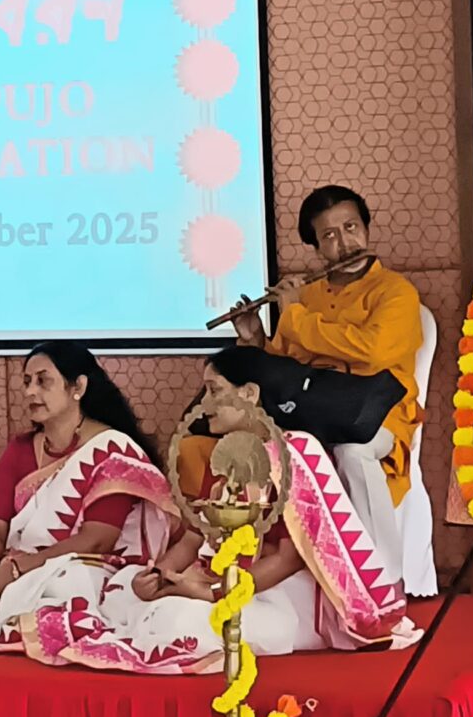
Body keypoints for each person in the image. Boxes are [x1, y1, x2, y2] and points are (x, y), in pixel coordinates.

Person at [60, 350, 409, 672]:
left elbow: (288, 559)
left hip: (281, 599)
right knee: (123, 592)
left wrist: (214, 594)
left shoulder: (297, 453)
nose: (204, 403)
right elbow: (194, 539)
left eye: (214, 391)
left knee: (174, 621)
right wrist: (161, 576)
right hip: (218, 581)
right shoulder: (226, 453)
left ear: (249, 394)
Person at [0, 342, 170, 654]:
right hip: (14, 563)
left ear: (78, 386)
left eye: (43, 381)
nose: (30, 392)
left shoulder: (113, 450)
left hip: (84, 564)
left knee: (67, 585)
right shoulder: (21, 449)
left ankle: (18, 622)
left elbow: (97, 541)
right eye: (26, 382)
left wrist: (14, 571)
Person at [230, 184, 423, 547]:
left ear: (366, 228)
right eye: (329, 235)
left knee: (353, 450)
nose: (345, 243)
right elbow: (283, 371)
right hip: (313, 411)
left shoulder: (396, 291)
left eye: (351, 228)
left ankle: (381, 575)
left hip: (376, 413)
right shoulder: (305, 297)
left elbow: (372, 351)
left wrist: (296, 317)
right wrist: (254, 338)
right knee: (247, 444)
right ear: (316, 247)